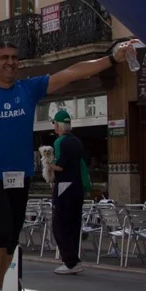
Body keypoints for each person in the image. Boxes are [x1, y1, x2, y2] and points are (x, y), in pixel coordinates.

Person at [0, 38, 137, 291]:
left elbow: (73, 72)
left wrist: (111, 58)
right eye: (3, 58)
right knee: (2, 229)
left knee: (11, 237)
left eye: (14, 57)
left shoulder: (29, 89)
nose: (10, 62)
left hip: (20, 174)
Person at [50, 109, 88, 275]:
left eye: (54, 124)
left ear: (58, 126)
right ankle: (74, 259)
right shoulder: (77, 141)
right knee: (73, 224)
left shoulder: (60, 142)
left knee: (59, 225)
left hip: (64, 186)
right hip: (78, 186)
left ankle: (70, 261)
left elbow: (60, 166)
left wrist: (45, 164)